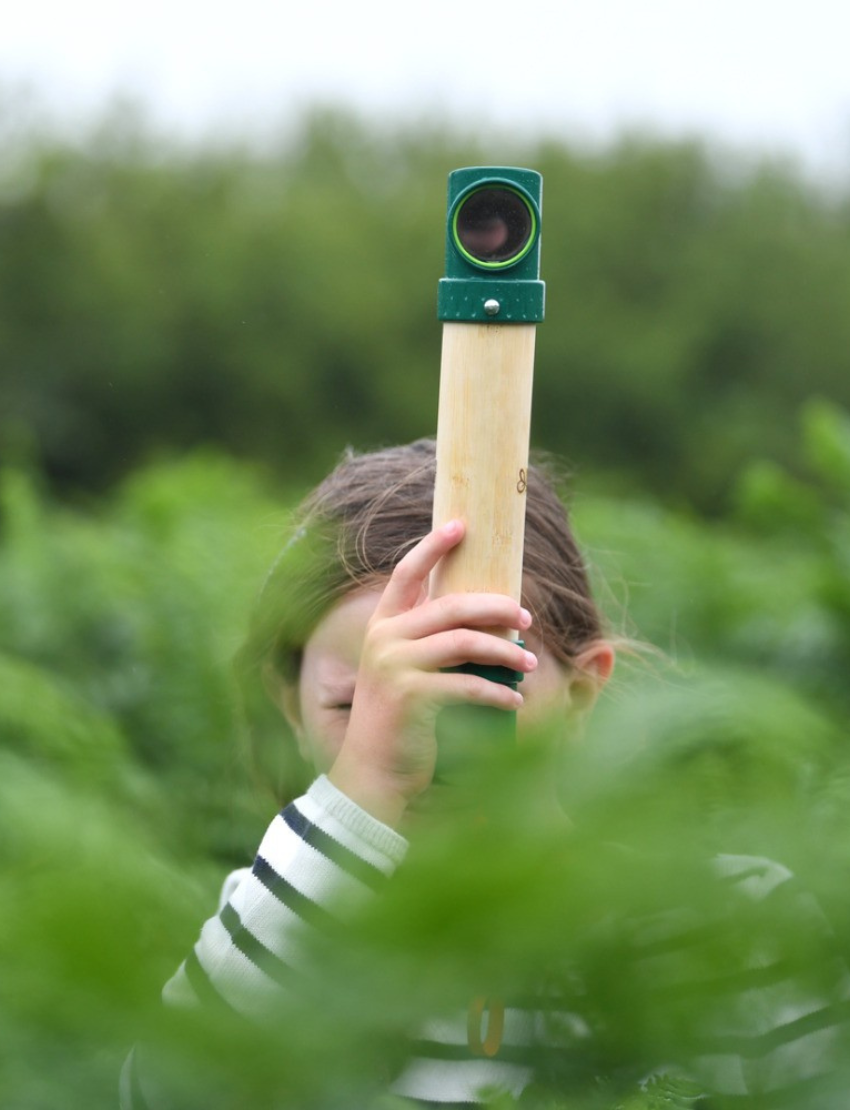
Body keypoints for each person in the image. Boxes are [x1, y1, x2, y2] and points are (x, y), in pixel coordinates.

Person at [121, 439, 848, 1109]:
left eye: (484, 693)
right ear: (291, 709)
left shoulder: (734, 930)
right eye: (362, 705)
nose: (425, 753)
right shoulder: (279, 926)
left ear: (578, 696)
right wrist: (364, 786)